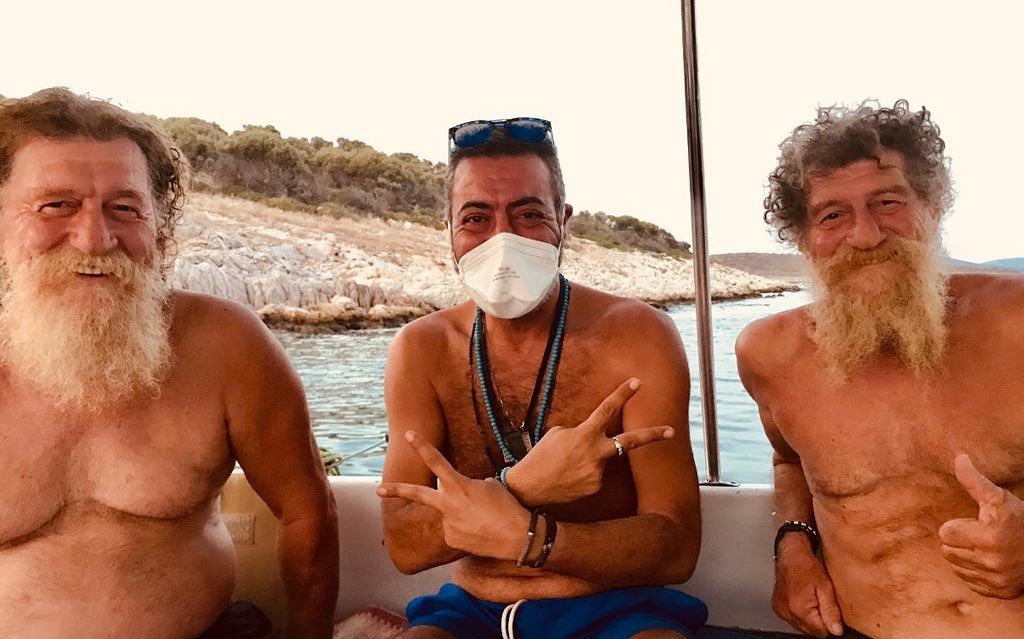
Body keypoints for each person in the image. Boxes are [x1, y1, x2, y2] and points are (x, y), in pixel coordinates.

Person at [0, 88, 339, 639]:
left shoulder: (226, 345)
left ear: (158, 227)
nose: (95, 239)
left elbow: (308, 513)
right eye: (56, 205)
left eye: (124, 208)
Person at [376, 118, 706, 639]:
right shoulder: (422, 349)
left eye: (528, 214)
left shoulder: (638, 335)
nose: (502, 239)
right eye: (476, 218)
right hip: (471, 611)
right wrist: (522, 486)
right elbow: (405, 546)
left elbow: (677, 547)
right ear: (450, 230)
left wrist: (533, 540)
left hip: (614, 608)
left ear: (563, 221)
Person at [736, 99, 1024, 638]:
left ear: (932, 207)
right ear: (804, 239)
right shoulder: (769, 354)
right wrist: (794, 544)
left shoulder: (1017, 324)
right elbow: (788, 459)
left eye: (887, 202)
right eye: (832, 215)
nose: (865, 236)